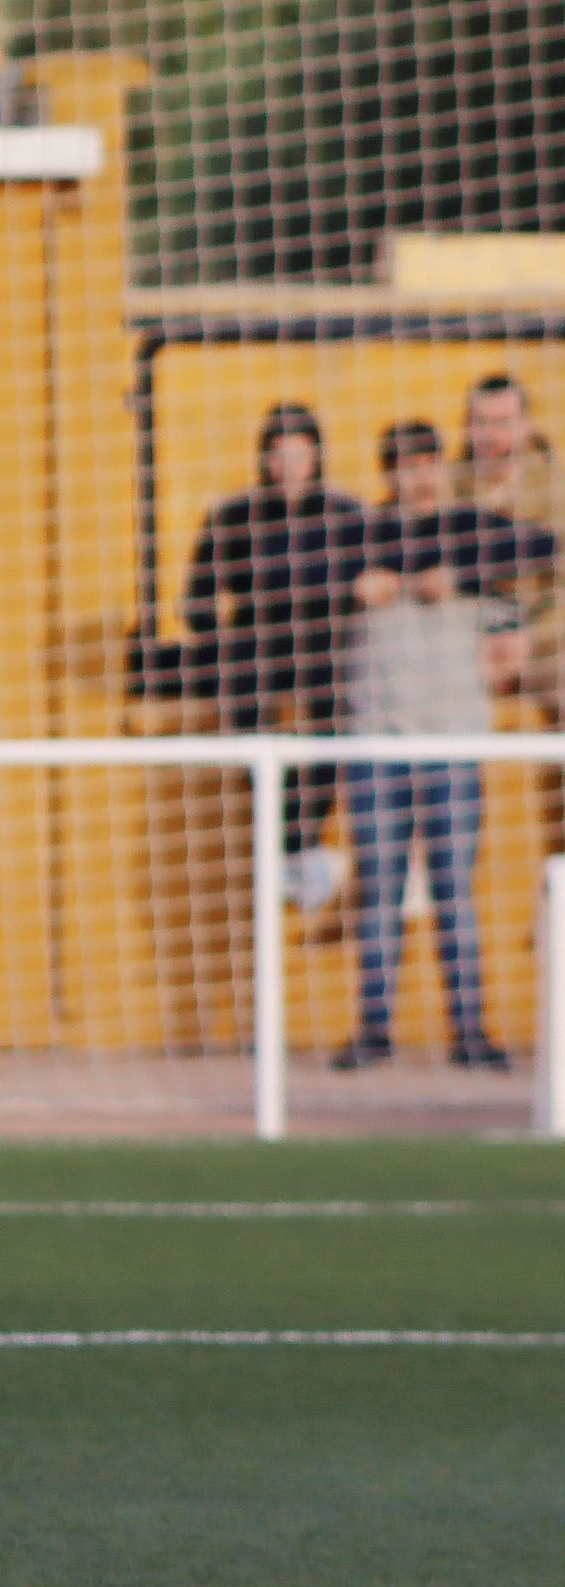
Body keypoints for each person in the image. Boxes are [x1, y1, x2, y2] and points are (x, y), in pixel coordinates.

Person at [333, 418, 555, 1071]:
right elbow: (304, 579)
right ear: (389, 474)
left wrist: (460, 581)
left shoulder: (470, 529)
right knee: (379, 888)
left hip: (453, 738)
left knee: (455, 888)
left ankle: (469, 1030)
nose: (420, 476)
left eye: (429, 462)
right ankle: (374, 1028)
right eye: (406, 465)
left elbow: (543, 549)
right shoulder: (359, 534)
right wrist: (352, 586)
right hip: (376, 740)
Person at [178, 401, 367, 914]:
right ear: (264, 460)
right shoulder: (233, 518)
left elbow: (376, 587)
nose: (287, 469)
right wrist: (227, 648)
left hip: (322, 657)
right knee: (258, 751)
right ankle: (289, 848)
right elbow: (195, 602)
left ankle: (299, 846)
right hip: (255, 659)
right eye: (277, 457)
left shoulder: (346, 517)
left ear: (317, 460)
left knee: (332, 739)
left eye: (299, 457)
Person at [455, 373, 559, 855]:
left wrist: (525, 634)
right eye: (482, 424)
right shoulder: (445, 485)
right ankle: (411, 860)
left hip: (542, 642)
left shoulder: (555, 487)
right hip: (461, 643)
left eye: (504, 423)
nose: (493, 436)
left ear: (524, 426)